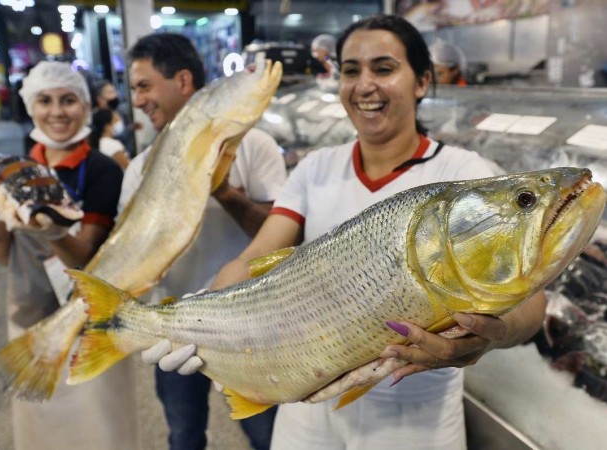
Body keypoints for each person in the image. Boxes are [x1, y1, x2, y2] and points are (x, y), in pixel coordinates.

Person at [152, 15, 547, 450]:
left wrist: (489, 337)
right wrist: (199, 316)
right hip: (308, 416)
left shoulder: (462, 174)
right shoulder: (316, 166)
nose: (363, 85)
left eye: (383, 68)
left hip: (415, 423)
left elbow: (532, 307)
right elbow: (253, 257)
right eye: (350, 70)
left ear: (422, 81)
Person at [0, 61, 138, 450]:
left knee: (102, 430)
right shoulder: (15, 166)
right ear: (29, 106)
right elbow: (5, 257)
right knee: (40, 433)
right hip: (27, 314)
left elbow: (87, 260)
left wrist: (53, 230)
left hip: (87, 324)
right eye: (45, 101)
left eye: (68, 100)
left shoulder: (102, 170)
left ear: (85, 107)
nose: (57, 112)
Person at [123, 33, 287, 450]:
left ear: (182, 81)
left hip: (251, 328)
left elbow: (283, 234)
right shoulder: (140, 169)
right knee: (184, 435)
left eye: (144, 86)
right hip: (173, 327)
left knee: (269, 434)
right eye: (134, 89)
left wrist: (224, 191)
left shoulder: (255, 146)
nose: (137, 100)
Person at [93, 79, 142, 156]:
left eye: (114, 91)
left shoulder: (121, 111)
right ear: (100, 99)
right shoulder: (96, 118)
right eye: (110, 93)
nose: (114, 95)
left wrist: (131, 128)